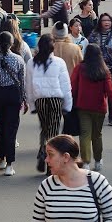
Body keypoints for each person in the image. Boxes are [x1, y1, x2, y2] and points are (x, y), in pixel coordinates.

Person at [0, 32, 28, 176]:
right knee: (11, 129)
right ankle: (10, 164)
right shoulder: (18, 60)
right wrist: (24, 99)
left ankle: (2, 158)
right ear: (11, 43)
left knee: (1, 127)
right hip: (13, 95)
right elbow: (22, 82)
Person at [27, 37, 73, 174]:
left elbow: (28, 86)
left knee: (45, 129)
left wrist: (32, 105)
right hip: (55, 99)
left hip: (40, 99)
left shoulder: (31, 63)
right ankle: (49, 160)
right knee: (53, 132)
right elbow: (66, 85)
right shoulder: (59, 62)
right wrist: (67, 105)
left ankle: (43, 153)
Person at [71, 45, 112, 170]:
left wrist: (71, 101)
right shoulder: (104, 70)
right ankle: (98, 160)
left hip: (83, 106)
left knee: (85, 134)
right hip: (99, 107)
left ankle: (86, 162)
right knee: (97, 135)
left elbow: (73, 86)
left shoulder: (80, 68)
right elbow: (111, 91)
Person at [89, 13, 112, 126]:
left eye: (109, 20)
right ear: (100, 22)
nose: (107, 22)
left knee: (111, 92)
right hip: (98, 67)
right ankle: (97, 115)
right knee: (97, 92)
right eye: (104, 20)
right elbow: (89, 51)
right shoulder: (94, 35)